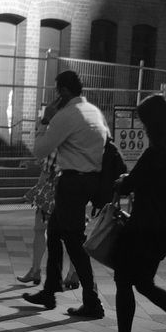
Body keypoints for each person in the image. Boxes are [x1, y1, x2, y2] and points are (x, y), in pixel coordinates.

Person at [93, 94, 166, 332]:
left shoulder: (155, 153)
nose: (142, 127)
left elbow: (130, 183)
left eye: (144, 122)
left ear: (153, 123)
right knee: (142, 283)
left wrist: (122, 181)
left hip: (144, 229)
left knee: (125, 280)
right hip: (164, 229)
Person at [21, 69, 108, 318]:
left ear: (63, 92)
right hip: (90, 180)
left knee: (74, 241)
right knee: (56, 232)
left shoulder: (66, 115)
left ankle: (92, 301)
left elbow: (39, 150)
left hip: (72, 182)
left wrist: (45, 119)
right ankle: (50, 290)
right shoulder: (93, 111)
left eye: (56, 91)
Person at [18, 153, 79, 290]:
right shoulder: (81, 141)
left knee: (40, 229)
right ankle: (73, 273)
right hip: (76, 190)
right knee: (72, 234)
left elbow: (47, 171)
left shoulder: (57, 141)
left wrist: (37, 191)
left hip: (53, 193)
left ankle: (36, 271)